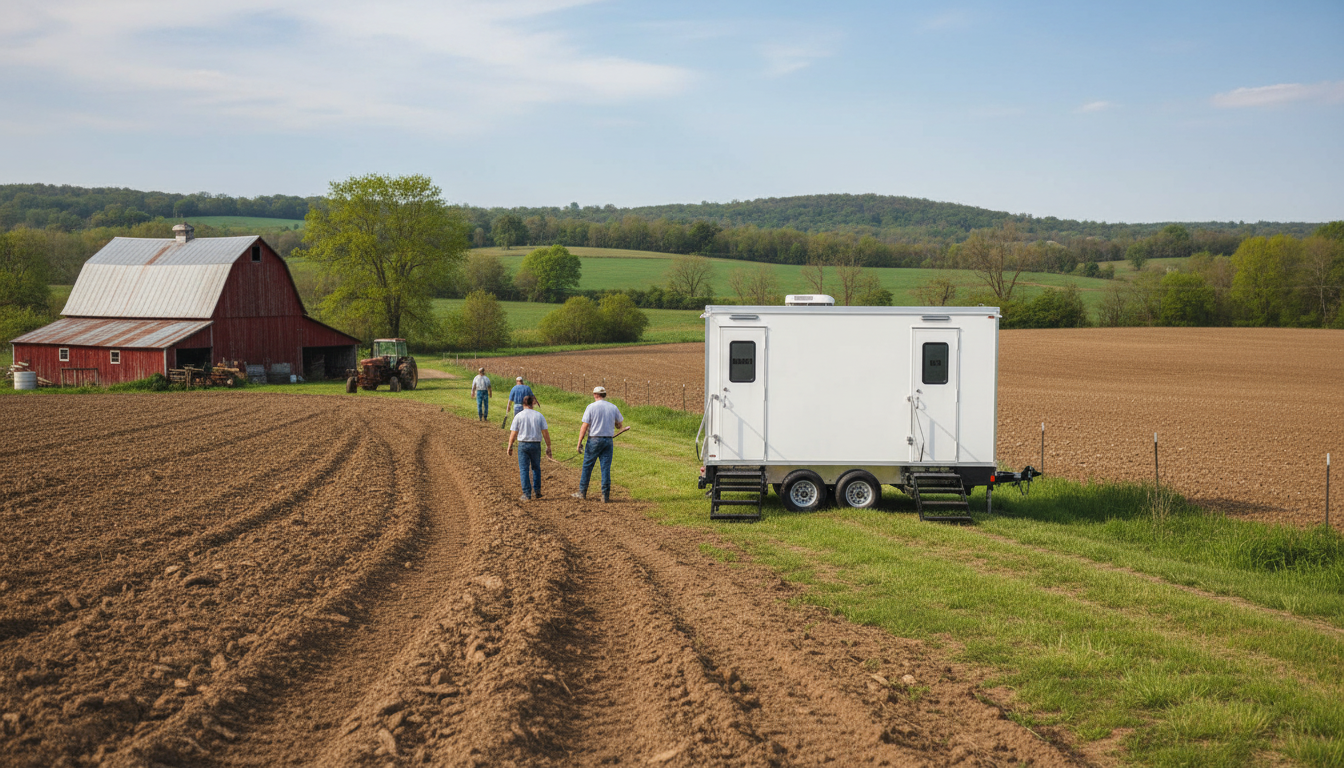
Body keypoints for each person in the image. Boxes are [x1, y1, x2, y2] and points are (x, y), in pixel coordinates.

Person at [572, 386, 625, 503]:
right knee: (605, 468)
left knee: (587, 466)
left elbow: (584, 426)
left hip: (594, 440)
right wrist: (616, 425)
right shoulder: (613, 407)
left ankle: (582, 492)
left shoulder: (591, 407)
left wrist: (579, 442)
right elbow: (619, 424)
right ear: (604, 395)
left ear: (595, 395)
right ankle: (605, 496)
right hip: (608, 441)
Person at [506, 395, 551, 501]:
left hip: (523, 445)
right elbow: (545, 433)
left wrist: (510, 445)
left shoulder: (519, 416)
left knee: (524, 469)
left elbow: (513, 433)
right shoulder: (539, 416)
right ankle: (537, 491)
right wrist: (548, 446)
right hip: (535, 444)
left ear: (523, 404)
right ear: (532, 403)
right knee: (536, 468)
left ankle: (527, 494)